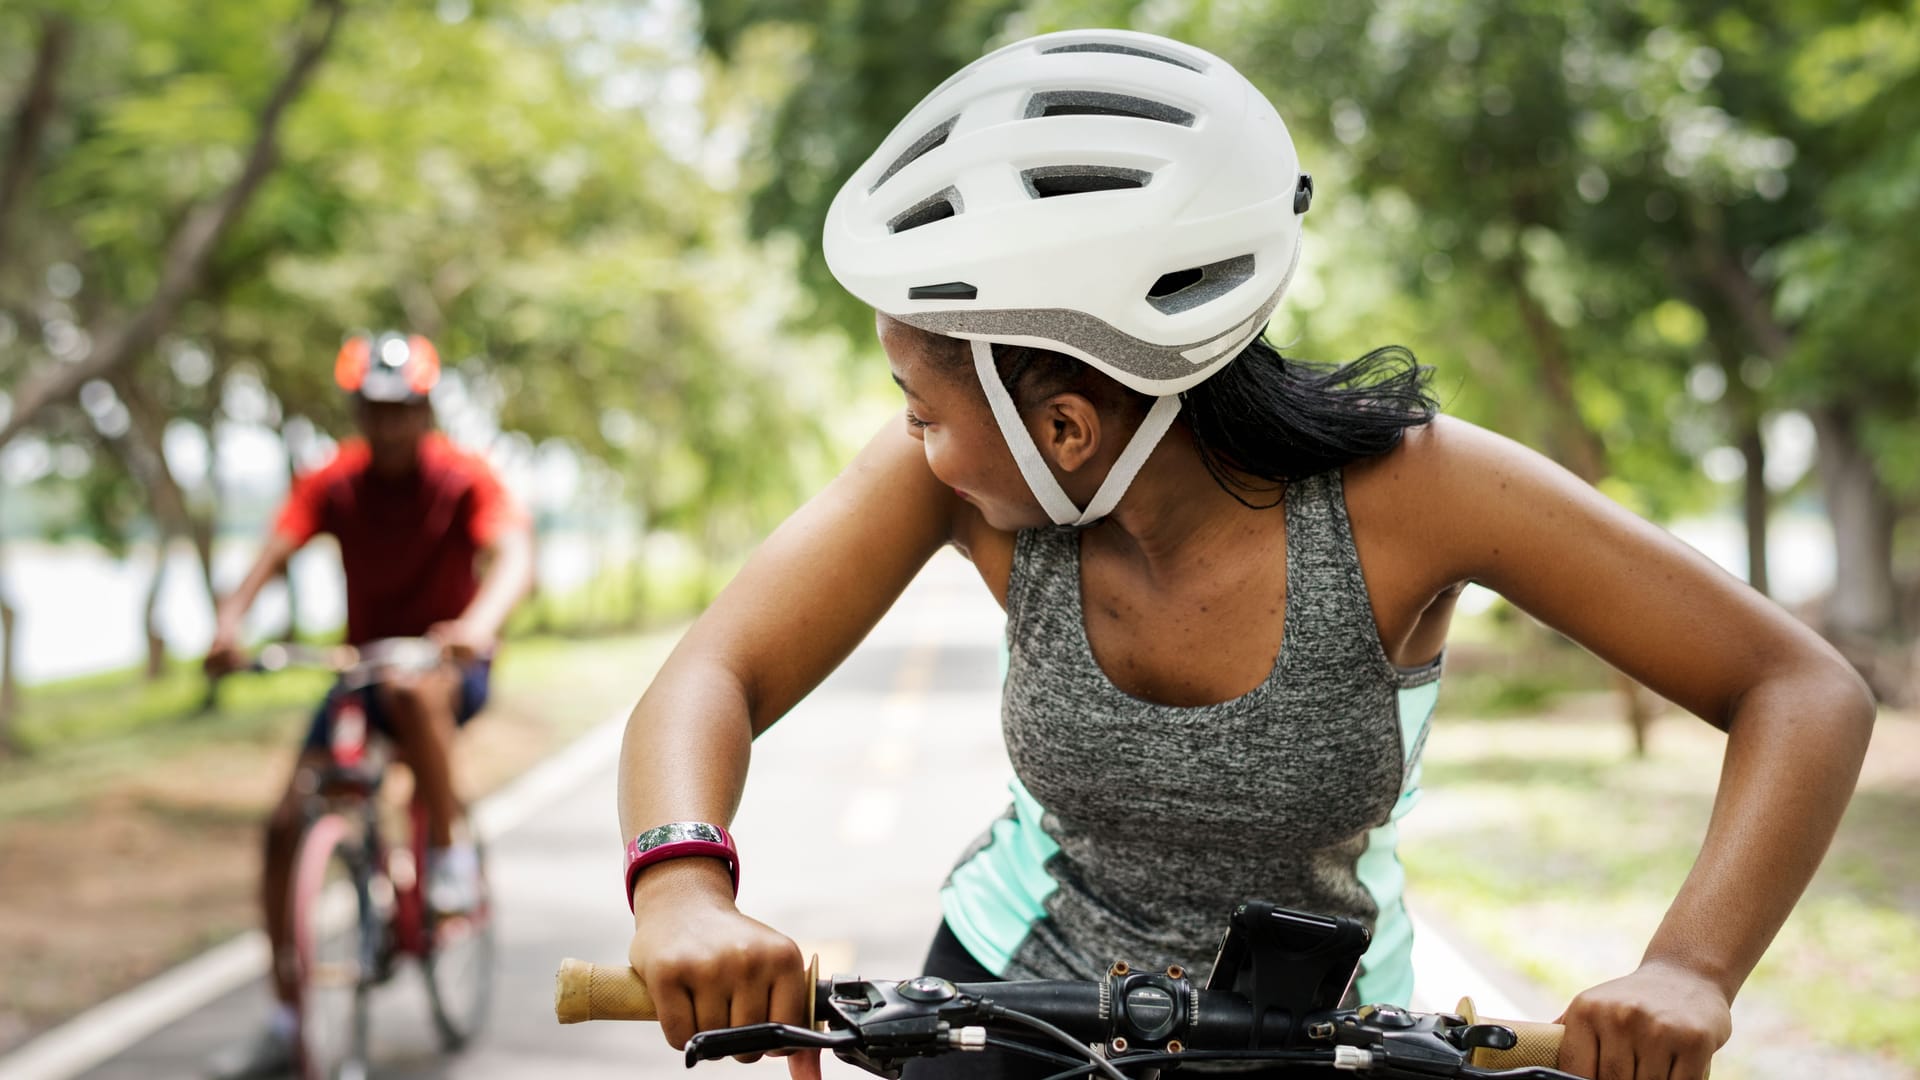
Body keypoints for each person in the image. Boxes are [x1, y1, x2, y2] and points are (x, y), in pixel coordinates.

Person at [615, 30, 1873, 1080]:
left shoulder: (1417, 493)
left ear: (1062, 424)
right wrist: (680, 884)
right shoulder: (965, 486)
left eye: (921, 405)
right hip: (1011, 1005)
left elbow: (1800, 690)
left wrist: (1688, 967)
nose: (910, 437)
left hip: (1317, 1034)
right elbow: (716, 670)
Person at [204, 330, 534, 1078]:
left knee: (411, 688)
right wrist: (229, 627)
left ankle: (447, 859)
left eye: (404, 410)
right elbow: (270, 555)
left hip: (447, 668)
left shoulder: (462, 476)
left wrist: (476, 628)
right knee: (285, 824)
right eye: (374, 410)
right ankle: (287, 1019)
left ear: (425, 411)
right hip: (360, 669)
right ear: (356, 411)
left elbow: (516, 555)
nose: (388, 426)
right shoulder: (334, 482)